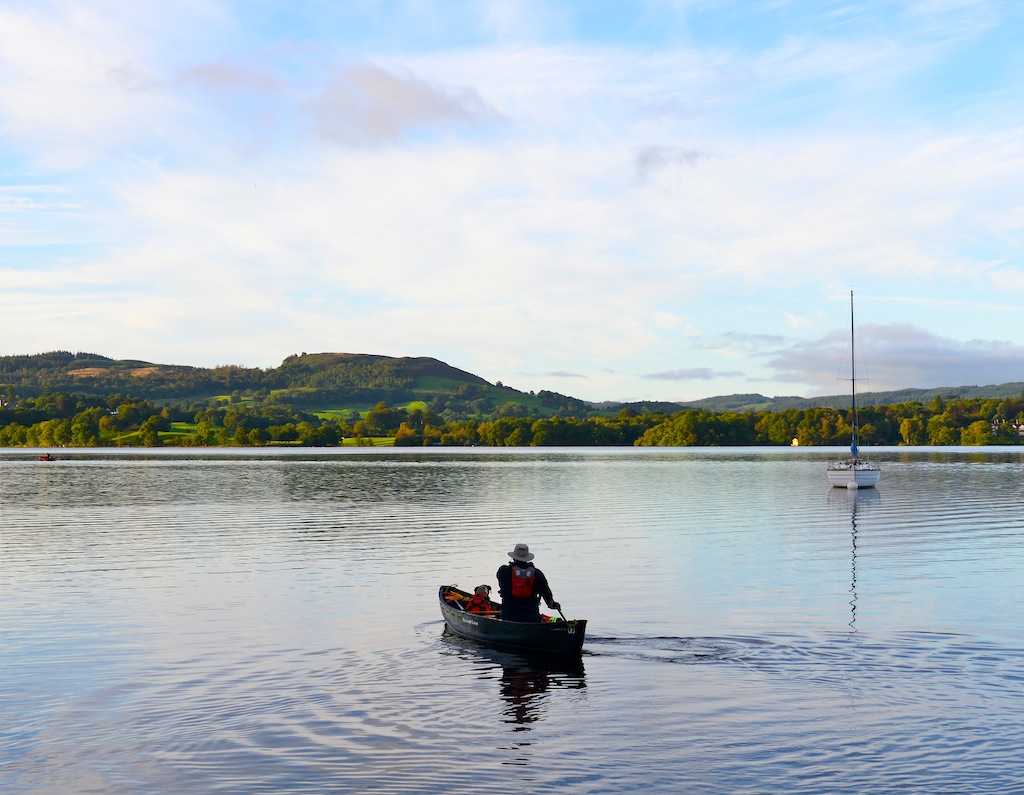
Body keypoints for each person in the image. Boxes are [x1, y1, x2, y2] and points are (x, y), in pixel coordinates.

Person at [495, 543, 560, 623]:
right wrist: (553, 604)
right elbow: (548, 597)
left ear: (513, 557)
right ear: (527, 558)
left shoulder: (503, 571)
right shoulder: (537, 574)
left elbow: (502, 585)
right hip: (532, 617)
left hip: (508, 616)